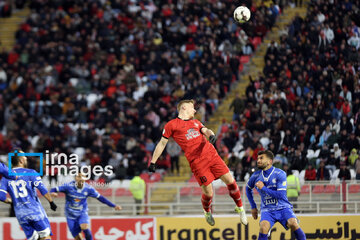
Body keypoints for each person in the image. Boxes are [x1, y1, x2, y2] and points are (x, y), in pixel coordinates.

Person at [148, 99, 247, 226]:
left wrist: (211, 135)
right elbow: (162, 143)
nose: (195, 110)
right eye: (192, 107)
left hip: (211, 155)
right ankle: (207, 211)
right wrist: (153, 162)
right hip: (197, 162)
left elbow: (206, 130)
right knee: (208, 193)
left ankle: (240, 208)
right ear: (184, 108)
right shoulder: (172, 125)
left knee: (231, 181)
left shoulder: (195, 122)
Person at [246, 150, 306, 240]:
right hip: (267, 209)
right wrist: (253, 206)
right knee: (263, 227)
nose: (258, 160)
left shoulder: (280, 173)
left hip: (283, 207)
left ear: (270, 161)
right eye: (258, 158)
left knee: (293, 223)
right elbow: (248, 188)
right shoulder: (256, 176)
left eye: (261, 158)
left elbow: (281, 195)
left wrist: (263, 188)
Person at [0, 150, 57, 240]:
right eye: (24, 156)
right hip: (34, 211)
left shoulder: (5, 178)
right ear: (21, 161)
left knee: (34, 238)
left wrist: (11, 201)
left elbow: (1, 197)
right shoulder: (31, 172)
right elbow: (42, 189)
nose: (26, 158)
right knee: (45, 236)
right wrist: (51, 202)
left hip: (21, 214)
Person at [50, 173, 122, 240]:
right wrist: (53, 193)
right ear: (75, 178)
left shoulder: (89, 189)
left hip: (82, 213)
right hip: (70, 215)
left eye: (83, 176)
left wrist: (114, 206)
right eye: (79, 176)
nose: (81, 178)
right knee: (78, 238)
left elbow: (101, 198)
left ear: (85, 179)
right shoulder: (68, 186)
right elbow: (53, 189)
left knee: (84, 227)